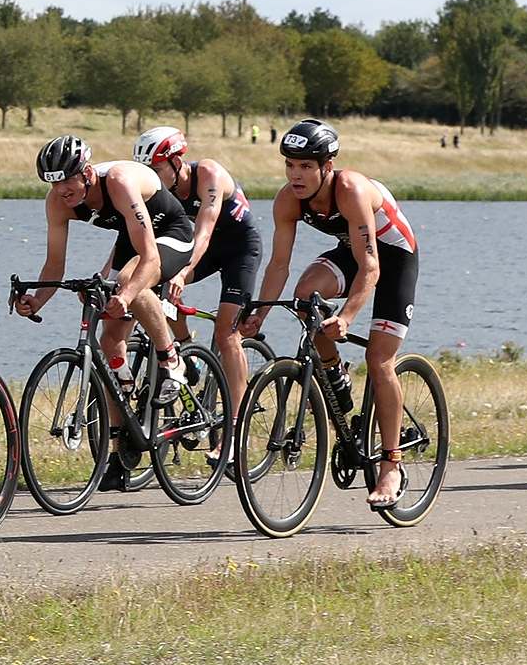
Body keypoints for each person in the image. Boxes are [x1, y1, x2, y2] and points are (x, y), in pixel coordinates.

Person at [245, 119, 421, 507]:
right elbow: (278, 266)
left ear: (328, 165)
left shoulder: (351, 190)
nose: (297, 175)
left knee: (379, 360)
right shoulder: (288, 200)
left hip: (392, 258)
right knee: (306, 294)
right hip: (355, 250)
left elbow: (372, 267)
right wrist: (259, 315)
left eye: (306, 166)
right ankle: (335, 377)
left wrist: (346, 318)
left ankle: (392, 465)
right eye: (290, 165)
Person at [14, 133, 192, 489]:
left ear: (88, 173)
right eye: (53, 183)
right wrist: (36, 299)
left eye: (68, 180)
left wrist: (125, 296)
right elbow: (54, 266)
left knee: (130, 282)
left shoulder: (121, 183)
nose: (62, 190)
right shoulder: (58, 202)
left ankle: (172, 358)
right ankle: (118, 445)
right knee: (109, 341)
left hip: (171, 233)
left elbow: (150, 258)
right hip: (133, 237)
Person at [136, 123, 264, 431]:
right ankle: (185, 354)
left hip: (239, 249)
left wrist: (181, 271)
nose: (151, 178)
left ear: (176, 162)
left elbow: (204, 230)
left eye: (155, 169)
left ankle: (237, 425)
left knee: (226, 333)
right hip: (200, 249)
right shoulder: (158, 191)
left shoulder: (208, 174)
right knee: (156, 285)